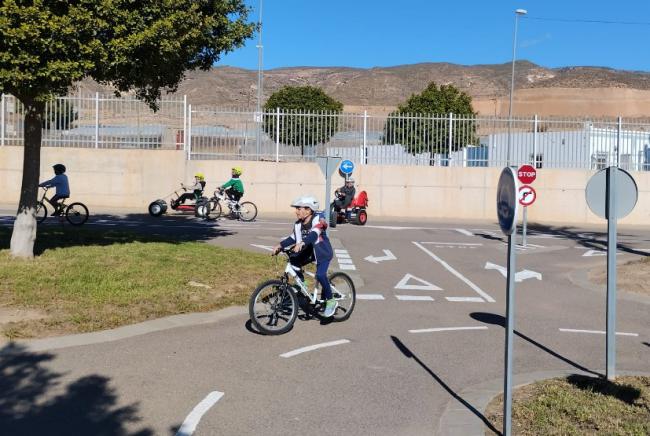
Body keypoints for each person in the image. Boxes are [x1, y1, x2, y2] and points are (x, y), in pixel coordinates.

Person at [272, 195, 337, 318]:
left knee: (320, 275)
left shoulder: (319, 219)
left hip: (322, 252)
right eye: (296, 208)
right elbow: (293, 238)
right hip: (309, 252)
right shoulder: (298, 224)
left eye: (298, 208)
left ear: (308, 210)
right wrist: (279, 245)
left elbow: (315, 233)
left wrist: (302, 243)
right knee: (293, 261)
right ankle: (303, 285)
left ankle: (331, 301)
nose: (296, 211)